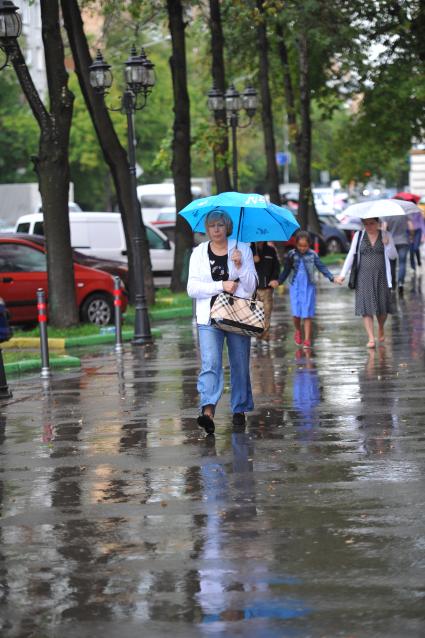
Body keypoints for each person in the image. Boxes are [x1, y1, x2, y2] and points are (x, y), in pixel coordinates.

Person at [187, 209, 258, 434]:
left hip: (237, 316)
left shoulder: (242, 249)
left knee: (239, 363)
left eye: (220, 225)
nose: (216, 230)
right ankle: (207, 411)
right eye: (212, 226)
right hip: (209, 317)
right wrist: (221, 285)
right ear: (206, 229)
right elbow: (192, 288)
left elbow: (252, 286)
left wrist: (241, 266)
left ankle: (239, 409)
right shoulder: (198, 253)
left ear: (227, 226)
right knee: (211, 363)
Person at [335, 218, 397, 348]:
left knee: (382, 308)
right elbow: (351, 255)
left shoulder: (386, 235)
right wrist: (342, 275)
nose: (369, 226)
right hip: (363, 277)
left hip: (382, 276)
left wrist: (388, 245)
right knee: (366, 308)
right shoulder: (359, 236)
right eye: (366, 224)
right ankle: (371, 338)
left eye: (372, 223)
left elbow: (393, 256)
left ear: (377, 223)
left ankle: (380, 327)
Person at [278, 230, 337, 348]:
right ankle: (298, 330)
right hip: (295, 286)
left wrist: (332, 277)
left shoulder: (313, 255)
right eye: (300, 246)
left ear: (309, 244)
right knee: (296, 314)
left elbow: (321, 267)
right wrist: (278, 281)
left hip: (308, 286)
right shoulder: (291, 254)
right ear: (296, 244)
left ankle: (307, 339)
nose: (302, 248)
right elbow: (286, 270)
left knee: (307, 314)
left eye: (305, 246)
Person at [251, 241, 280, 341]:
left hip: (267, 288)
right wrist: (251, 259)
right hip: (253, 288)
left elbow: (276, 266)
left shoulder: (271, 250)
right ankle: (257, 335)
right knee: (255, 313)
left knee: (267, 312)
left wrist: (274, 279)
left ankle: (265, 336)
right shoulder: (249, 250)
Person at [383, 214, 413, 296]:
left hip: (391, 243)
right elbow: (411, 227)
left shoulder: (388, 215)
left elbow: (384, 227)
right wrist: (411, 236)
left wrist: (385, 237)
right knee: (402, 263)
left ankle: (392, 286)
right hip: (403, 241)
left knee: (392, 264)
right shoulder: (405, 214)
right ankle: (401, 283)